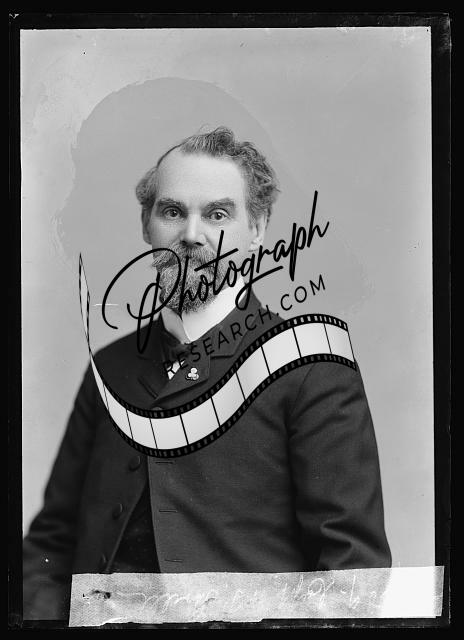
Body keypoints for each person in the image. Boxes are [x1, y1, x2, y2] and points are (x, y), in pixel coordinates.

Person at [23, 127, 391, 620]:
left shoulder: (310, 367)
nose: (192, 235)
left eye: (217, 214)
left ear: (257, 228)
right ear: (147, 226)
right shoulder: (109, 367)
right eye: (172, 212)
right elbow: (50, 544)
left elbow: (353, 578)